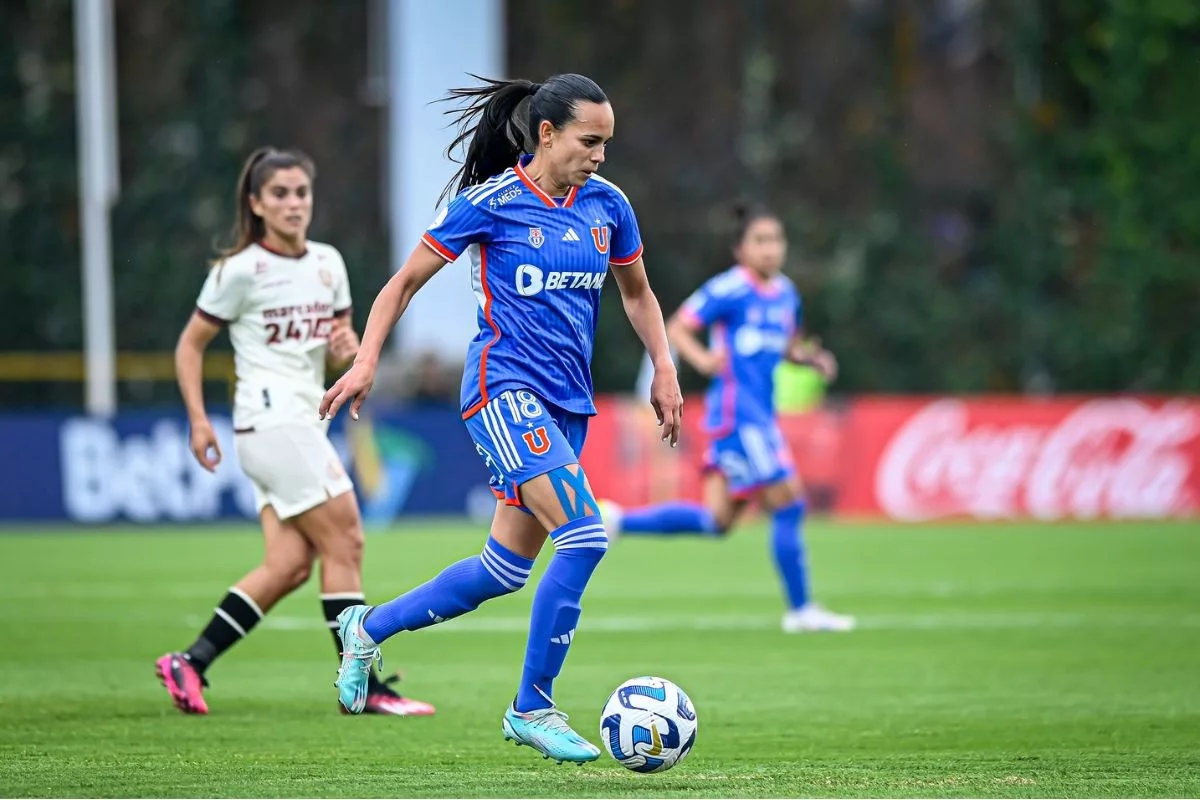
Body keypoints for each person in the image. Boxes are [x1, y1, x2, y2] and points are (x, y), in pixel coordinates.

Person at [318, 73, 682, 764]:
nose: (601, 155)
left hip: (569, 403)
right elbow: (402, 284)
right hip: (502, 390)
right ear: (547, 133)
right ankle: (532, 707)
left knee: (503, 571)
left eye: (607, 142)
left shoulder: (608, 206)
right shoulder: (492, 204)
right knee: (584, 535)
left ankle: (366, 630)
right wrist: (367, 361)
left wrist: (663, 366)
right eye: (589, 140)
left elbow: (638, 294)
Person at [157, 147, 435, 717]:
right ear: (256, 204)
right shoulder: (239, 271)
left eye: (300, 193)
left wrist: (348, 349)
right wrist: (198, 419)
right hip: (271, 420)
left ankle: (191, 661)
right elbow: (190, 344)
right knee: (348, 540)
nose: (292, 204)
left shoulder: (328, 263)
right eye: (279, 194)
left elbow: (345, 344)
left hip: (299, 421)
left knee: (287, 566)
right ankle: (361, 685)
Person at [602, 205, 856, 633]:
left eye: (776, 240)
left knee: (717, 521)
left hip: (758, 417)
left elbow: (787, 346)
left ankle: (619, 521)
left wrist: (810, 359)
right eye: (760, 240)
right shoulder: (730, 289)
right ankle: (801, 610)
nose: (770, 249)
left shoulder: (786, 294)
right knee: (789, 504)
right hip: (739, 418)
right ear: (740, 249)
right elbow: (679, 325)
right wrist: (703, 360)